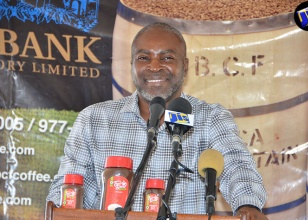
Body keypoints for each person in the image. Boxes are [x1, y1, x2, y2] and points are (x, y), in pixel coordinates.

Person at [46, 22, 268, 220]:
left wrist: (247, 204)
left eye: (167, 57)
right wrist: (61, 209)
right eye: (144, 58)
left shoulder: (210, 119)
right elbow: (69, 187)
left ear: (186, 66)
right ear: (132, 64)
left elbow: (237, 166)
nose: (154, 66)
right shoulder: (94, 120)